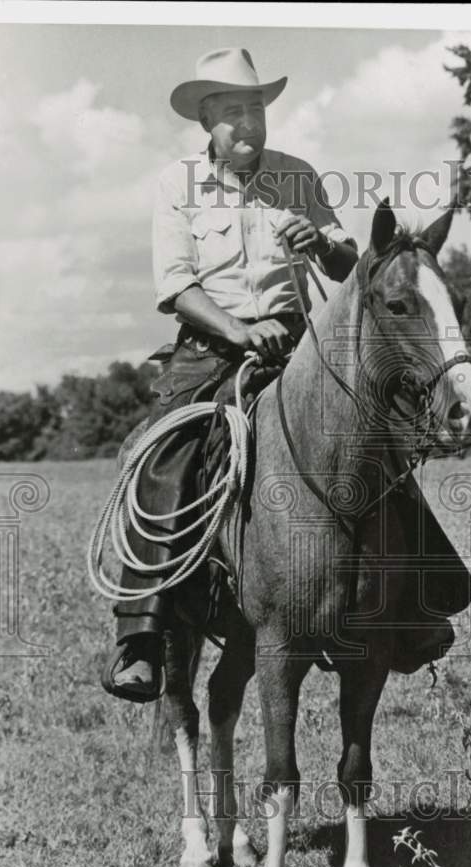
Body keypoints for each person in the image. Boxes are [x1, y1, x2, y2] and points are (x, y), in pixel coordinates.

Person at [102, 47, 358, 702]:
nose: (248, 125)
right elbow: (178, 287)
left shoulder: (297, 176)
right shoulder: (175, 184)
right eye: (233, 113)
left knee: (373, 442)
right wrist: (239, 329)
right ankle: (142, 634)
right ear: (206, 122)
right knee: (167, 453)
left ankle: (413, 601)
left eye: (255, 110)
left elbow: (345, 263)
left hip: (297, 346)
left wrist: (322, 244)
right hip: (210, 348)